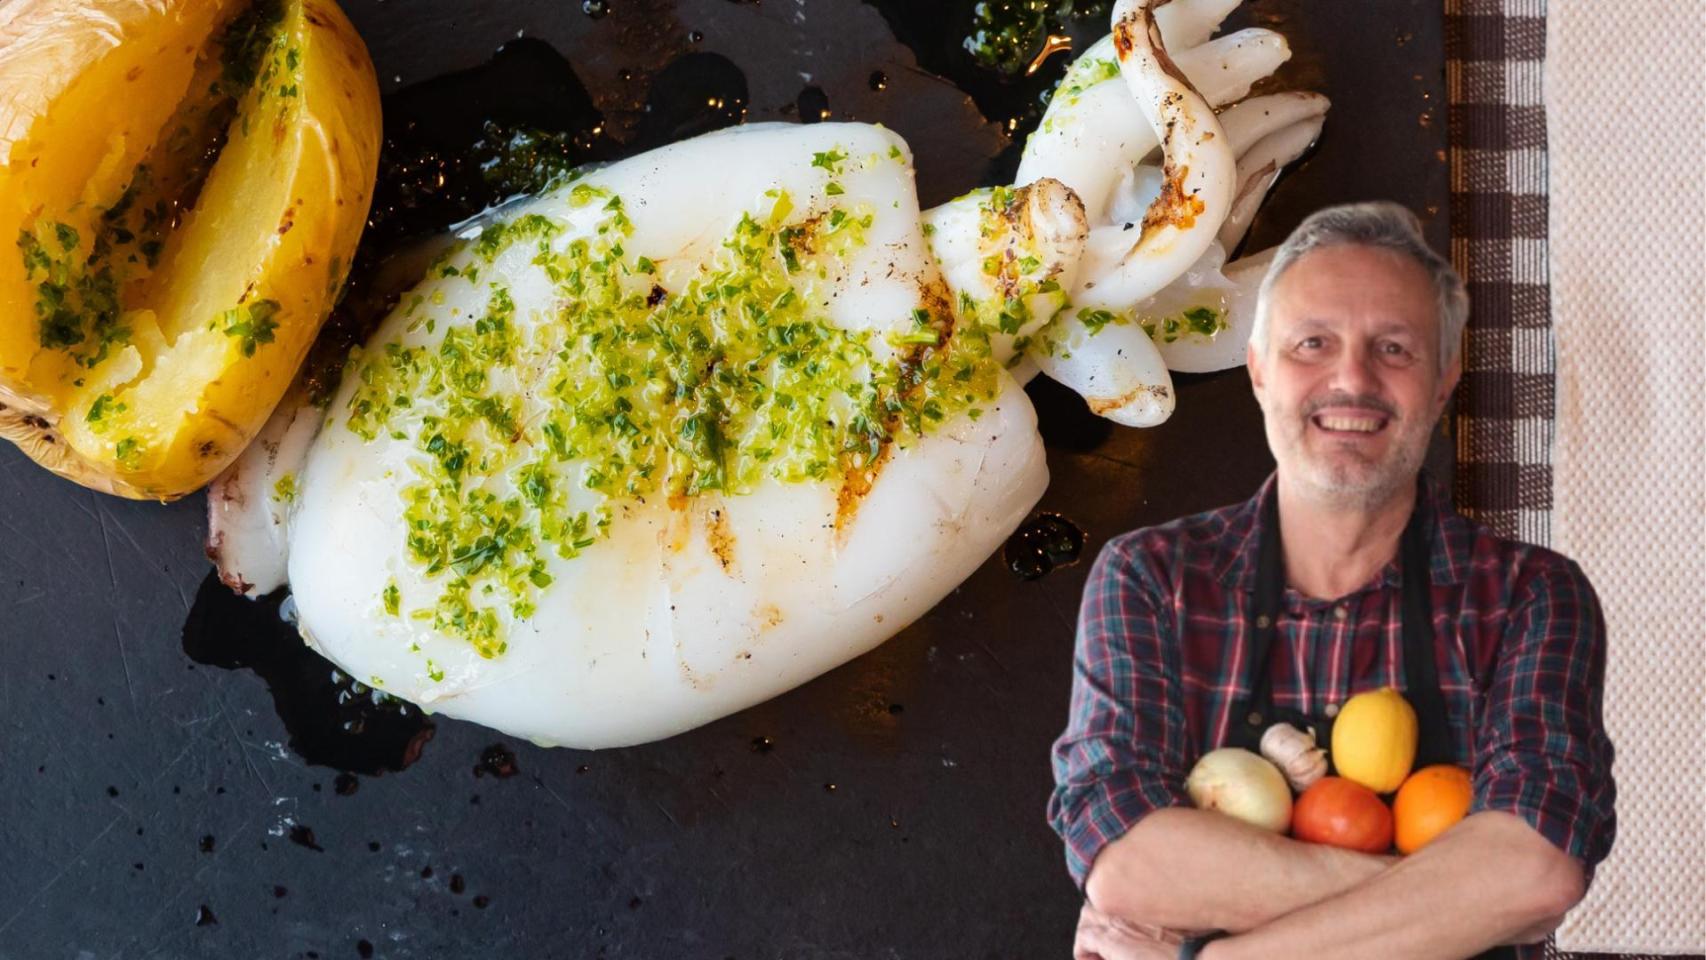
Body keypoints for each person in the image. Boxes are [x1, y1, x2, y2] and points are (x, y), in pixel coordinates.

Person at [1047, 202, 1615, 960]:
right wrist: (1462, 901)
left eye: (1395, 348)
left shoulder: (1529, 598)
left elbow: (1538, 865)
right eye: (1312, 343)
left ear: (1444, 381)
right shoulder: (1154, 579)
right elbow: (1121, 857)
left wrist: (1219, 956)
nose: (1352, 378)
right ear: (1258, 371)